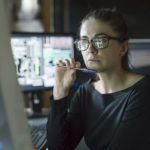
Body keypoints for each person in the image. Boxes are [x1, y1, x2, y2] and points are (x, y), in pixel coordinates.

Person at [46, 8, 150, 150]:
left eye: (100, 41)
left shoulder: (143, 92)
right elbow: (58, 147)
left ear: (123, 48)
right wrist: (60, 92)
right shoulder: (85, 92)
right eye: (84, 42)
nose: (90, 49)